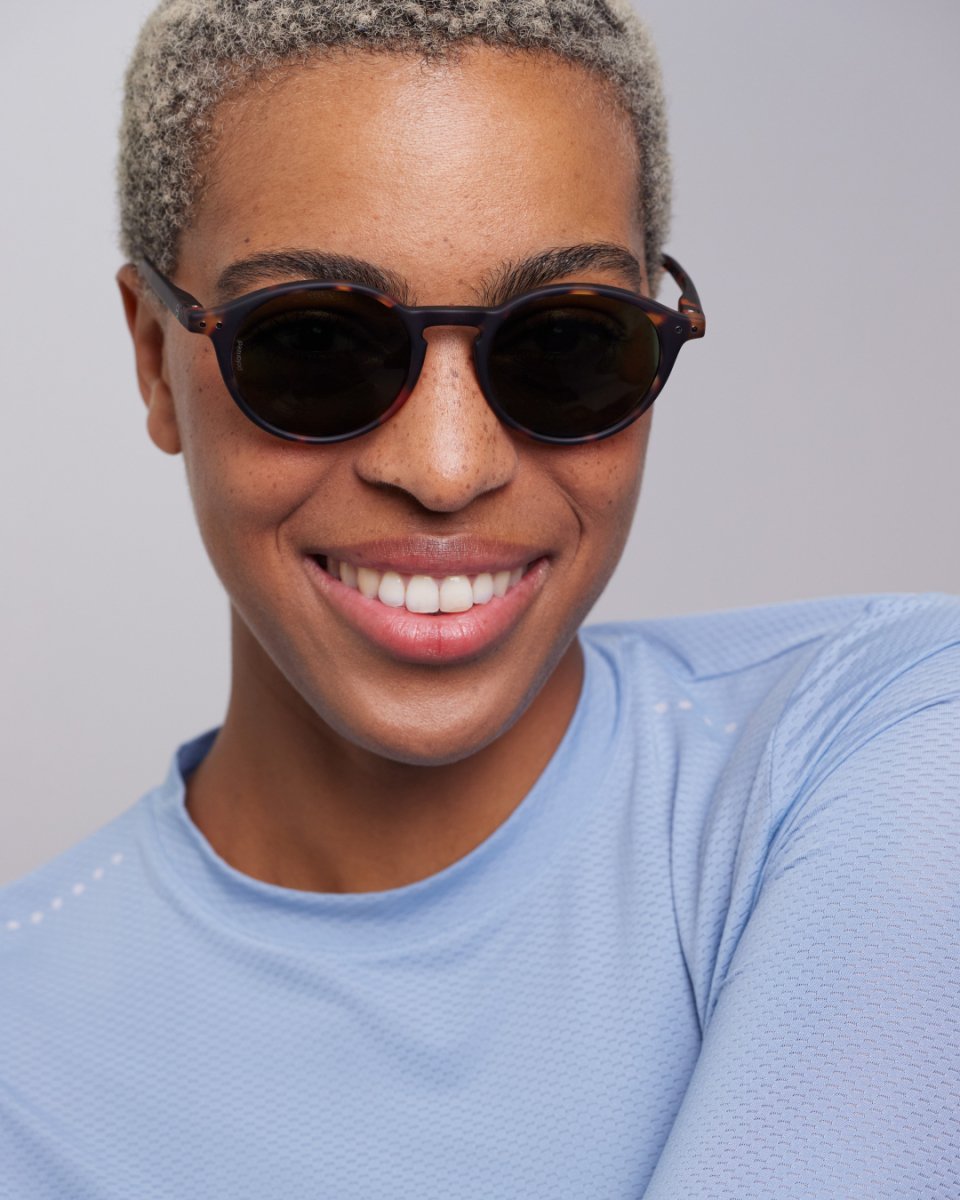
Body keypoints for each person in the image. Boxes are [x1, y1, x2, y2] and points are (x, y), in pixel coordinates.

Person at [2, 0, 958, 1195]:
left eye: (567, 342)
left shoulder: (887, 742)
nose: (448, 469)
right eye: (313, 345)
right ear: (154, 359)